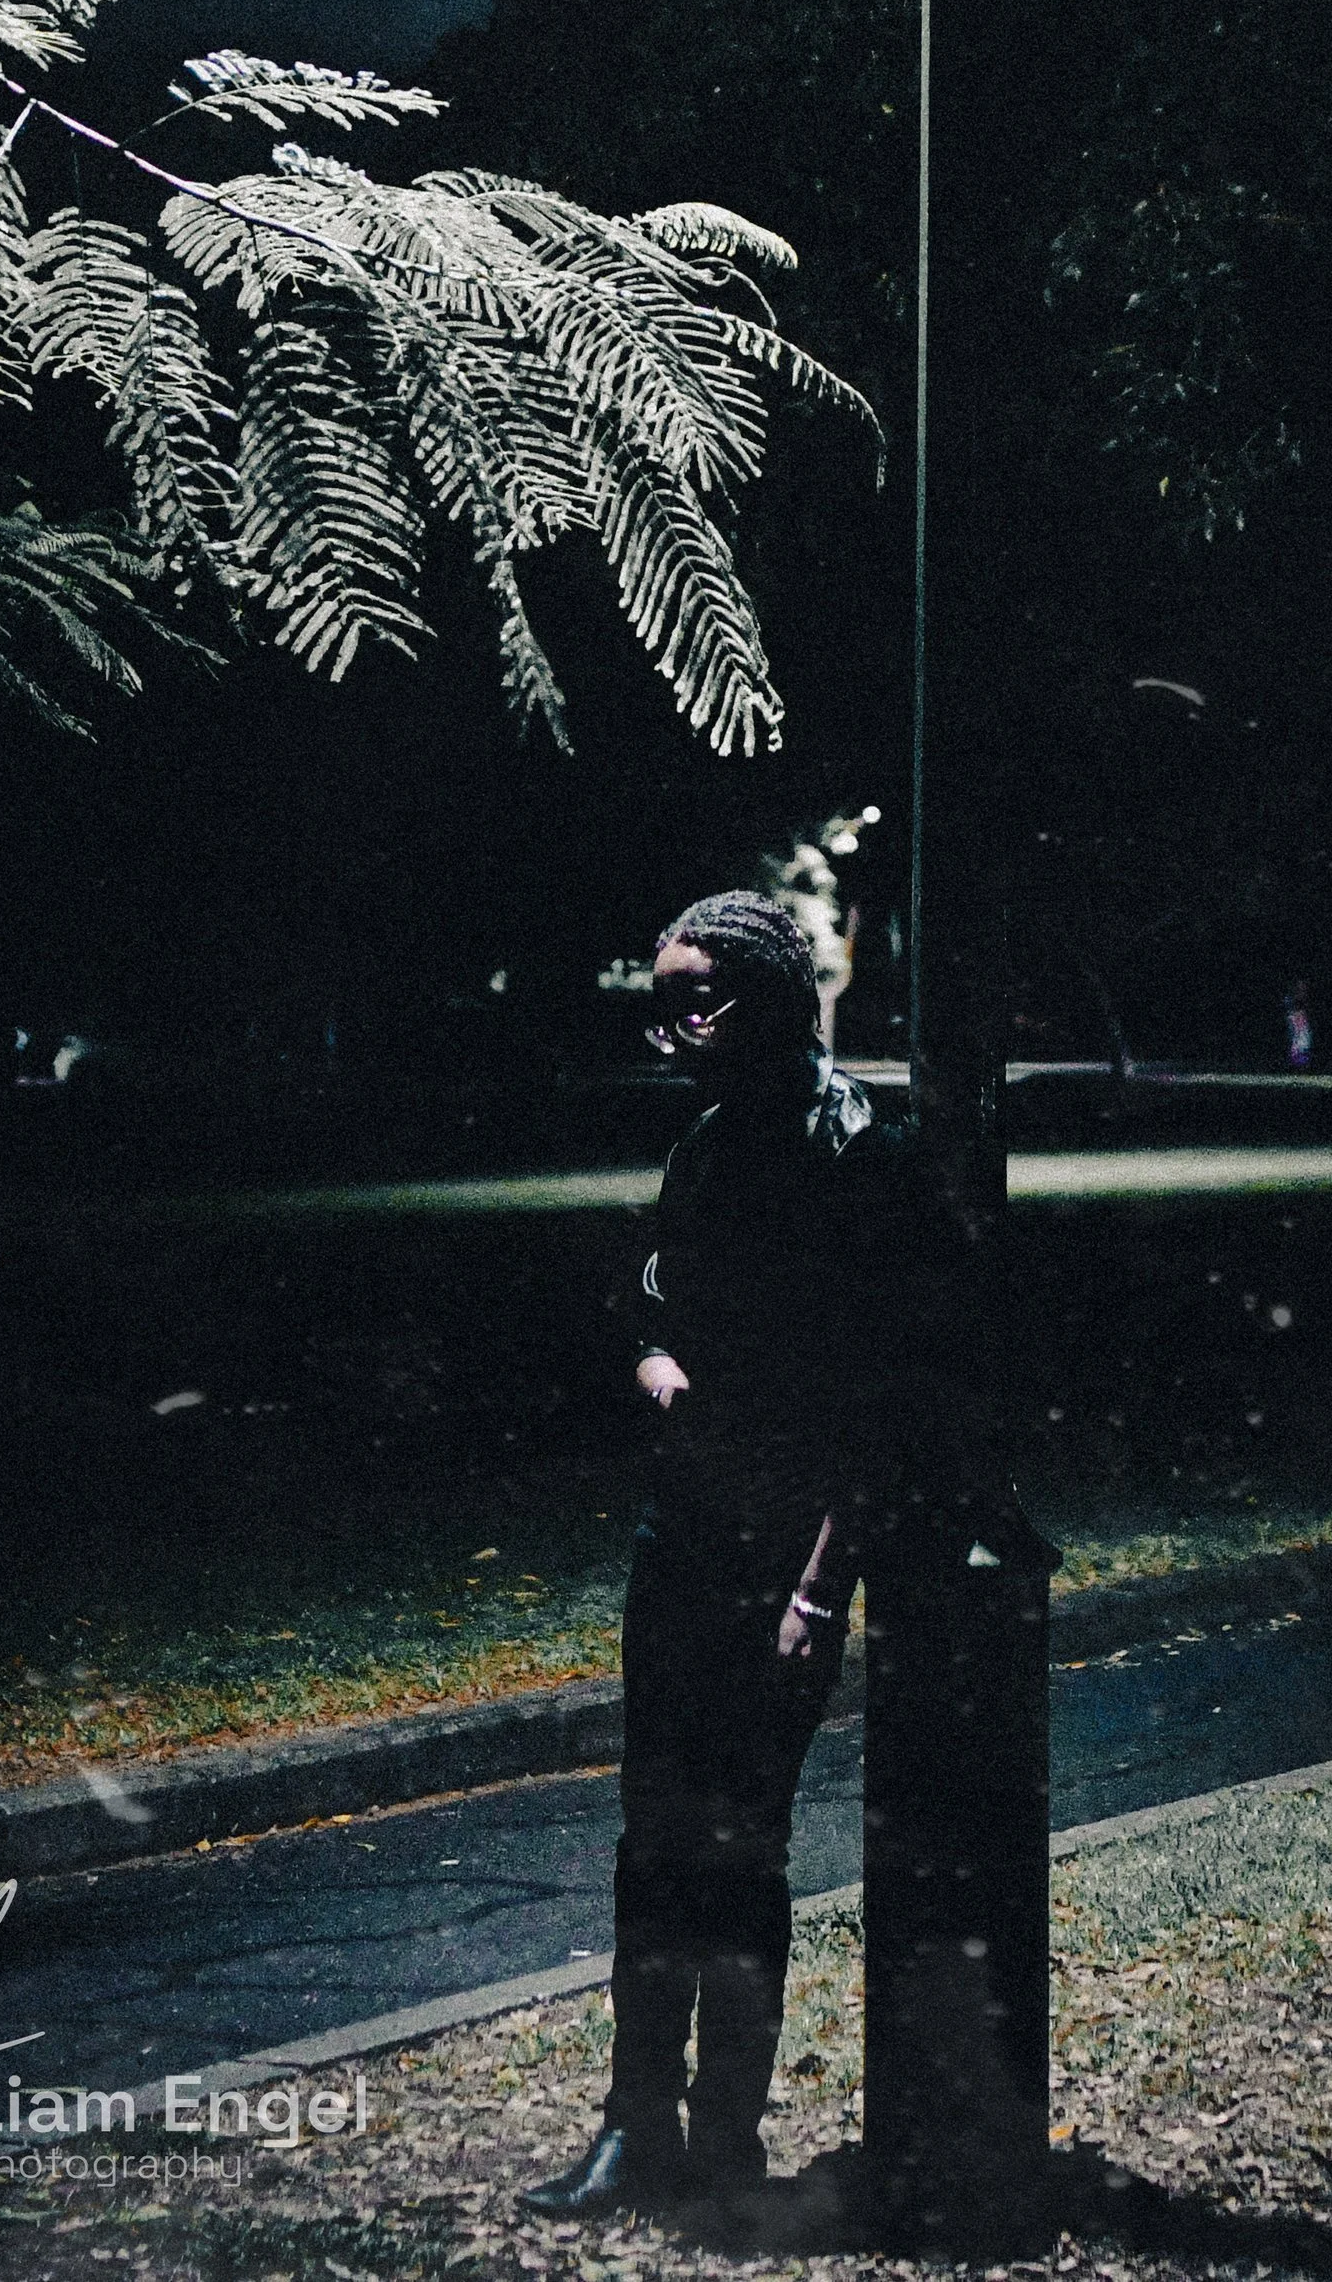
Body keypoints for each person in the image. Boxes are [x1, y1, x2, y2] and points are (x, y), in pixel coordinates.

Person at [522, 889, 904, 2218]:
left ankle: (727, 2134)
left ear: (774, 990)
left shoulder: (855, 1145)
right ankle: (639, 2122)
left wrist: (819, 1582)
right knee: (653, 1835)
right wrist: (656, 1365)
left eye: (703, 991)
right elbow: (638, 1291)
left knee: (741, 1841)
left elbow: (886, 1397)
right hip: (680, 1530)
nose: (679, 1018)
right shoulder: (703, 1143)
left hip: (785, 1547)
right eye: (664, 995)